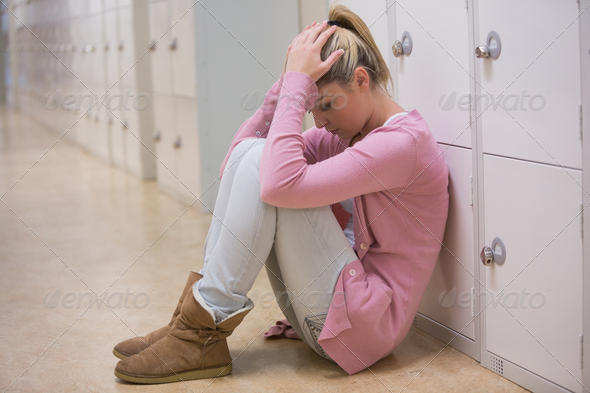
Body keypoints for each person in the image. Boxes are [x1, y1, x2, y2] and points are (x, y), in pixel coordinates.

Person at [112, 3, 449, 384]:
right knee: (255, 154)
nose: (318, 120)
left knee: (267, 164)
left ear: (360, 80)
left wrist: (296, 88)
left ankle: (200, 331)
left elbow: (273, 181)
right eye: (311, 107)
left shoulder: (403, 146)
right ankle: (192, 323)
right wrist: (288, 84)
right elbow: (238, 161)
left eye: (324, 105)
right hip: (325, 316)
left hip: (361, 334)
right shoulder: (343, 136)